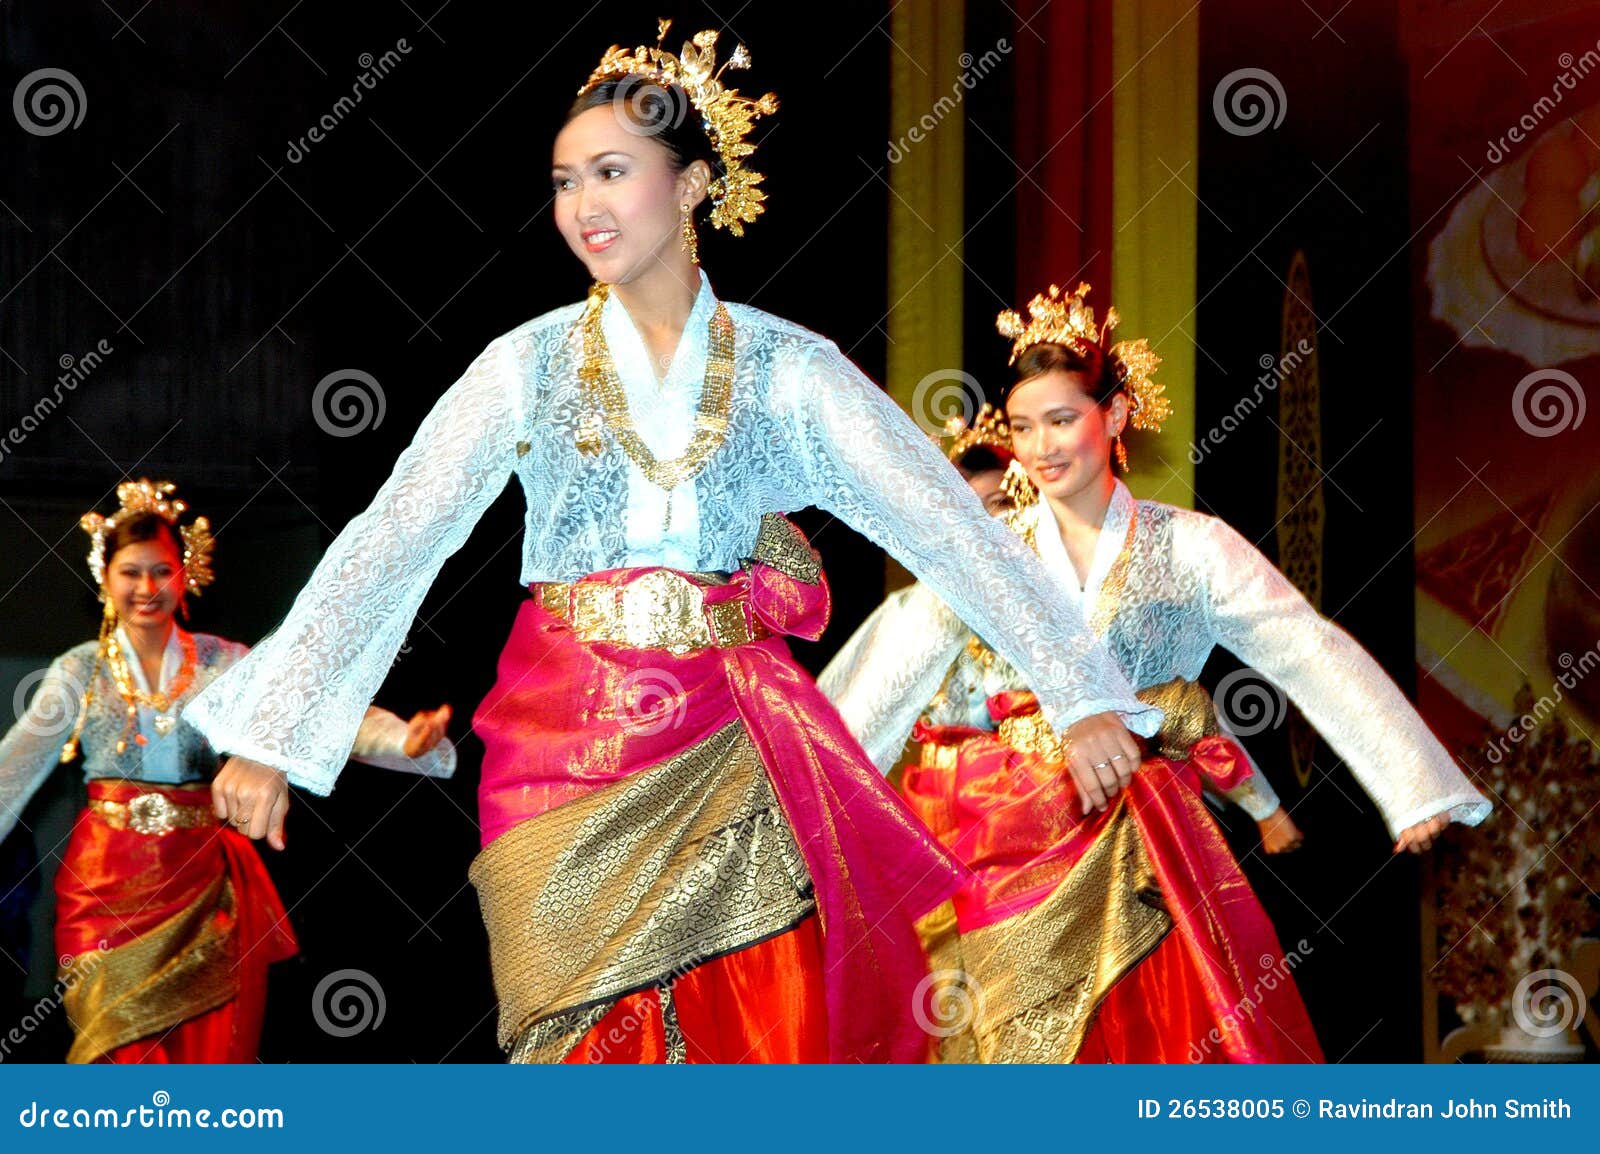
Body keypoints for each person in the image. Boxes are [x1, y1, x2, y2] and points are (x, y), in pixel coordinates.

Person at [185, 24, 1166, 1064]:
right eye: (566, 181)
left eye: (612, 172)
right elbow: (394, 539)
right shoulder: (523, 365)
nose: (582, 206)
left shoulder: (791, 368)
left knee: (751, 1026)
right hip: (555, 743)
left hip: (730, 734)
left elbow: (946, 526)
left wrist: (1079, 686)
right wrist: (276, 728)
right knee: (574, 1040)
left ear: (693, 182)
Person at [822, 284, 1491, 1062]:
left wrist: (1411, 781)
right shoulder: (989, 555)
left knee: (1166, 1050)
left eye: (1064, 420)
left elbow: (1300, 643)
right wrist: (809, 805)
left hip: (1151, 839)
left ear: (1116, 417)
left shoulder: (1190, 546)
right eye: (1027, 427)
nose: (1042, 448)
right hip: (1013, 839)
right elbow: (894, 657)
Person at [0, 479, 454, 1063]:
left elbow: (305, 709)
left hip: (201, 884)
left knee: (210, 1055)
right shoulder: (78, 672)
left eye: (162, 571)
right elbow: (13, 771)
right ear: (105, 578)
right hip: (103, 890)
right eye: (131, 572)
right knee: (116, 1051)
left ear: (185, 574)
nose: (146, 588)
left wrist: (402, 739)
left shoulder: (221, 662)